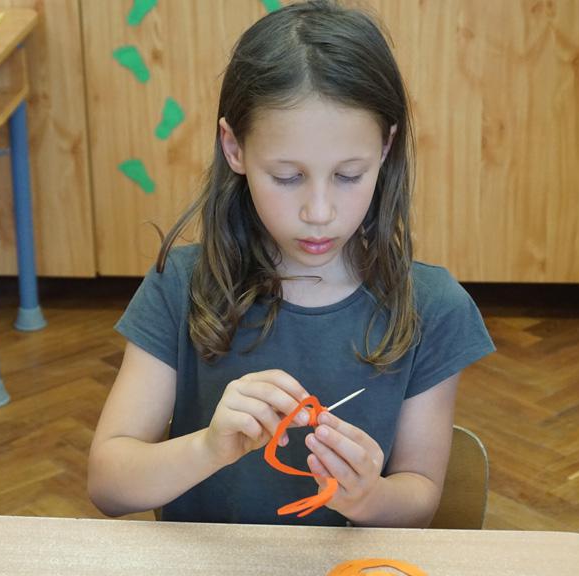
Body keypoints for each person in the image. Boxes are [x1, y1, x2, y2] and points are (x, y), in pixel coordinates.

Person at [88, 0, 494, 528]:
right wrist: (207, 448)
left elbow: (419, 498)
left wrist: (368, 497)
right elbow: (108, 486)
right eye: (287, 177)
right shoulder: (181, 286)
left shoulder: (433, 307)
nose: (319, 212)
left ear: (386, 148)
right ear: (234, 147)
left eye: (348, 175)